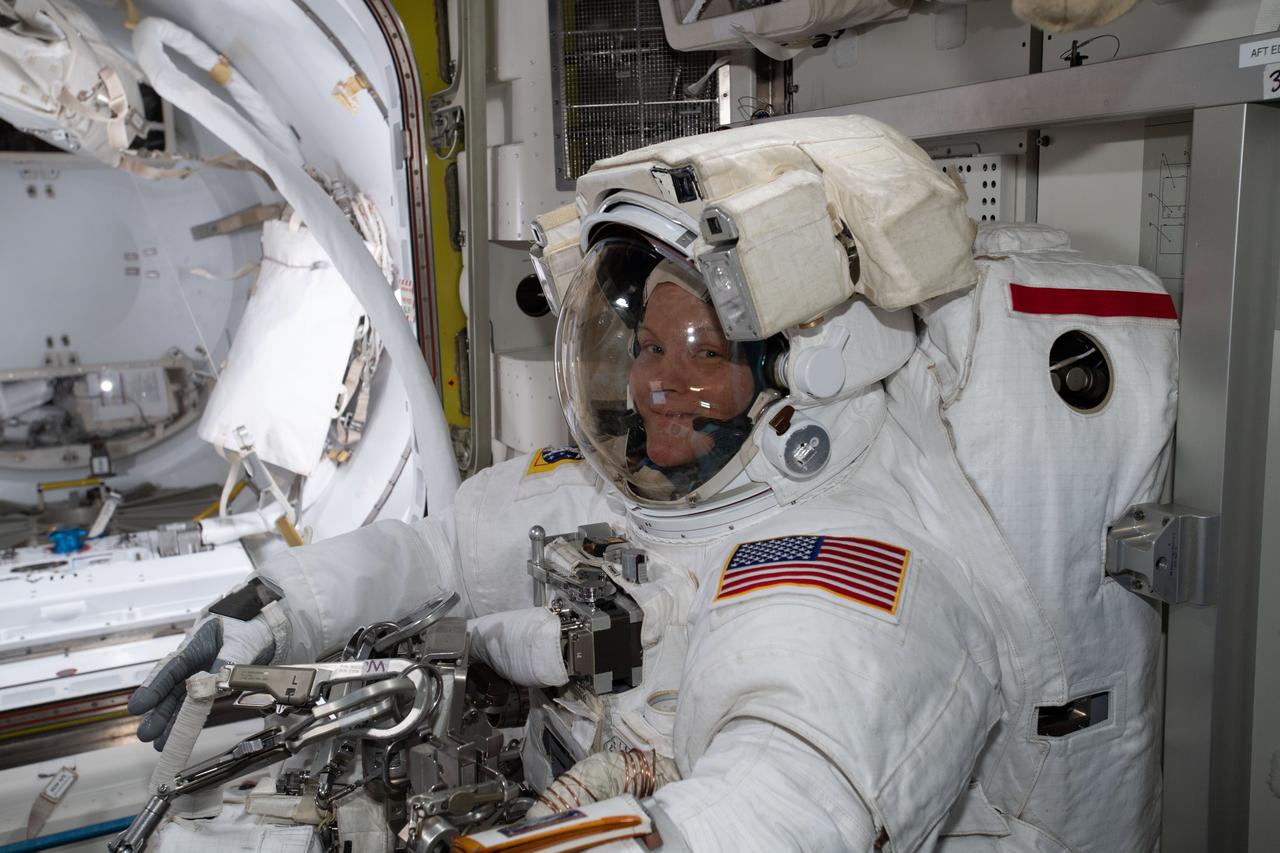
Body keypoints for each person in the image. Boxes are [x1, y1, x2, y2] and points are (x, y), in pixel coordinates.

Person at [130, 116, 1173, 852]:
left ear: (803, 378)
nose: (656, 384)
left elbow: (791, 802)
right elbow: (443, 549)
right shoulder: (623, 489)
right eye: (644, 346)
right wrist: (278, 612)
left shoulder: (851, 570)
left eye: (703, 354)